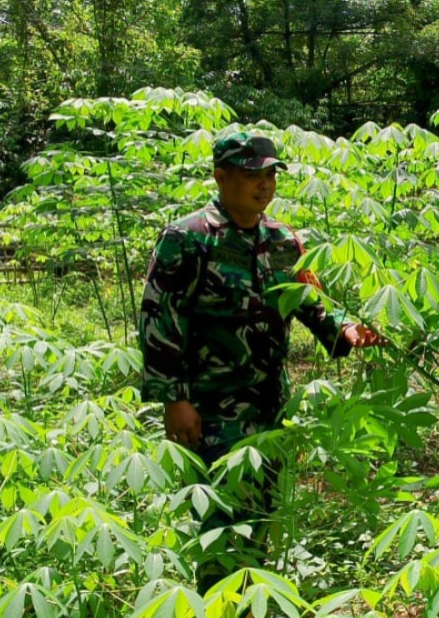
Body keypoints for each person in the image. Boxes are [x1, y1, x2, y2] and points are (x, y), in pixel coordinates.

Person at [139, 131, 383, 590]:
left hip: (270, 403)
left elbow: (309, 302)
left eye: (270, 174)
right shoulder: (187, 238)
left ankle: (254, 612)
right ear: (221, 176)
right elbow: (158, 319)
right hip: (210, 407)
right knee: (219, 521)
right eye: (252, 174)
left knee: (261, 513)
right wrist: (173, 399)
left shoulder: (284, 240)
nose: (264, 184)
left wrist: (344, 329)